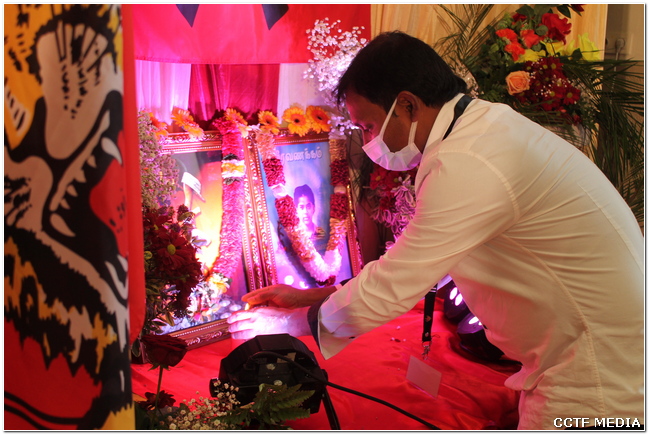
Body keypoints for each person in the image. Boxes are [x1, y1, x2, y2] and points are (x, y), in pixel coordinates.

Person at [227, 31, 644, 430]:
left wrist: (286, 324)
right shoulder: (482, 128)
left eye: (368, 126)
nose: (368, 142)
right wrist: (312, 296)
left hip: (593, 370)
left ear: (407, 105)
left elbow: (399, 281)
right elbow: (423, 265)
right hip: (585, 349)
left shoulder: (469, 159)